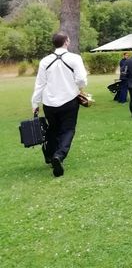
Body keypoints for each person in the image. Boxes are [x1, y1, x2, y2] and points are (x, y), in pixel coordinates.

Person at [31, 32, 88, 177]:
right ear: (67, 42)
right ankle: (59, 155)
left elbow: (40, 83)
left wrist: (35, 102)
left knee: (53, 129)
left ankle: (50, 155)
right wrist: (80, 87)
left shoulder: (45, 61)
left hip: (49, 102)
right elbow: (81, 79)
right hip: (69, 100)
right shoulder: (74, 58)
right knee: (68, 129)